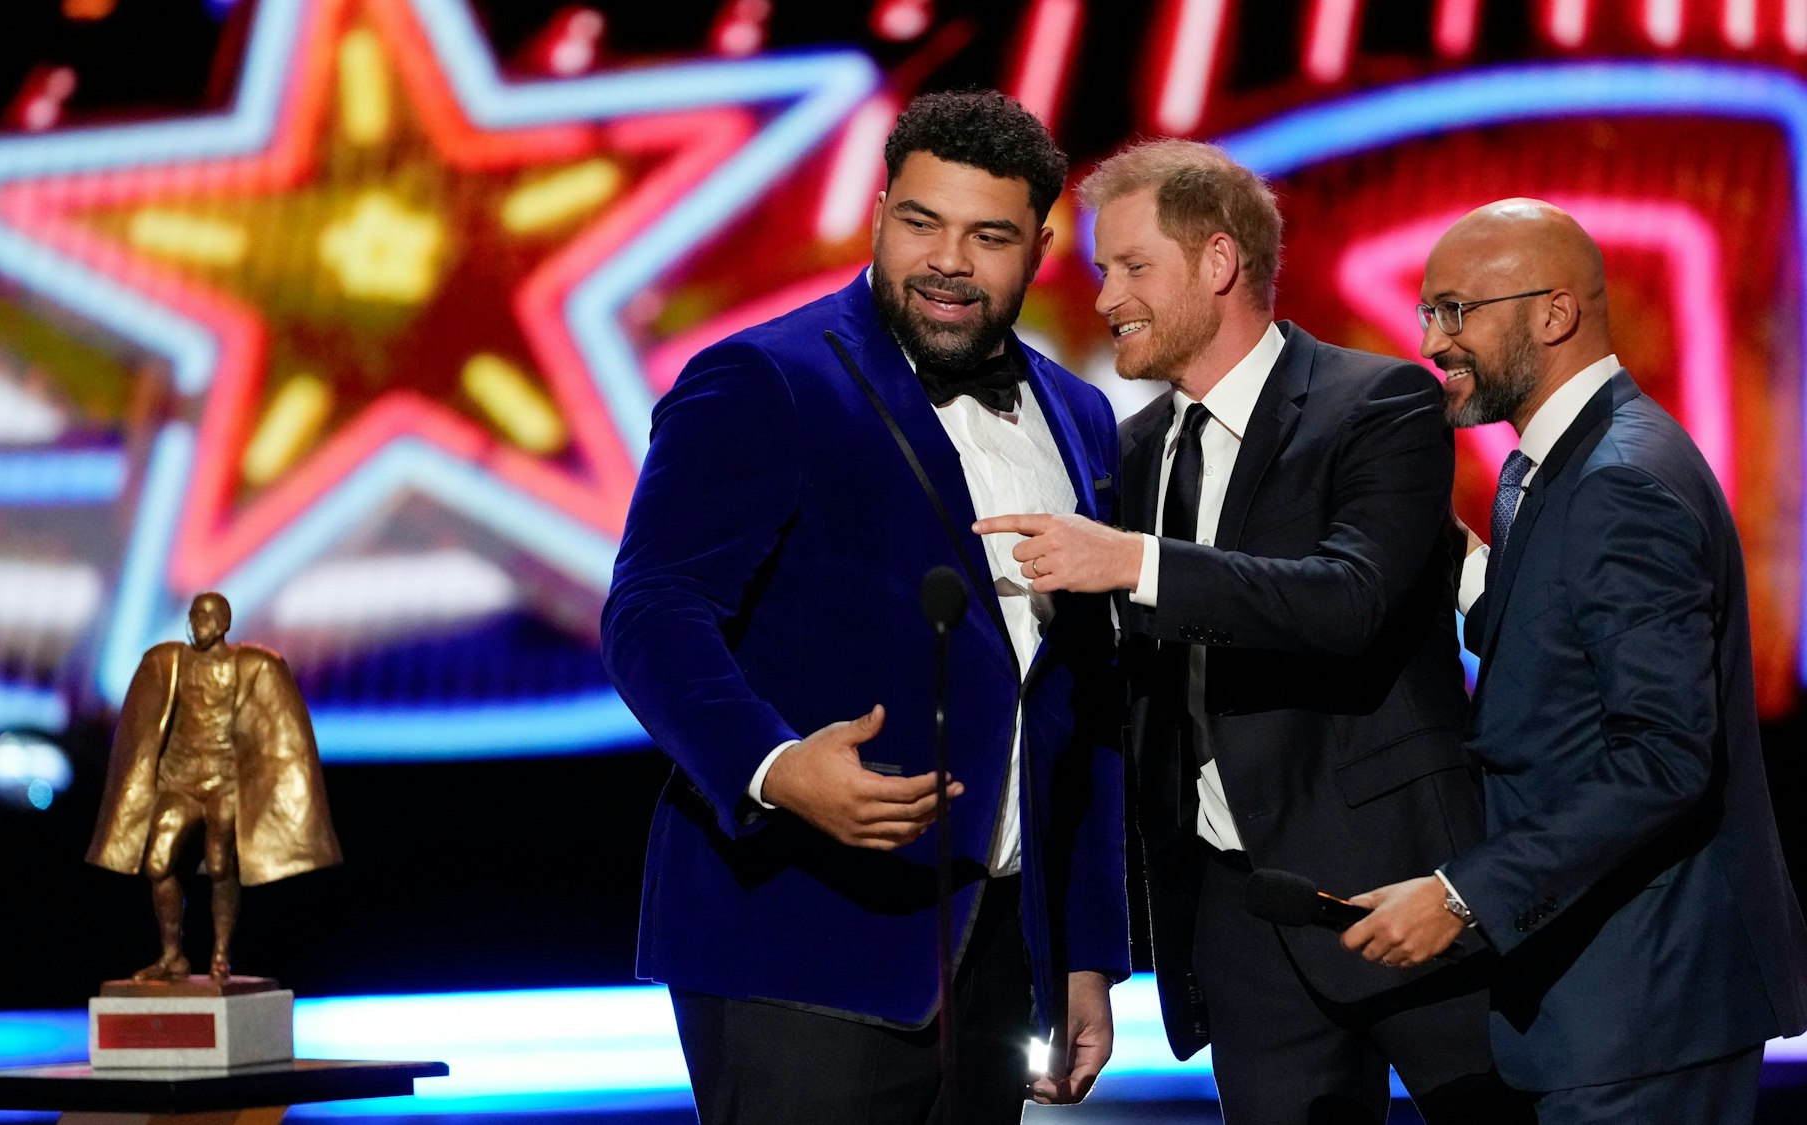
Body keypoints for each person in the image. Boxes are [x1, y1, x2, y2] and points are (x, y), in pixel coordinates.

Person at [600, 91, 1127, 1124]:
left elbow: (1079, 703)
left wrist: (1084, 952)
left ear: (1039, 246)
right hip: (796, 940)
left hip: (992, 955)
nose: (946, 260)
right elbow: (652, 610)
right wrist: (772, 766)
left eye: (987, 236)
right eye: (918, 222)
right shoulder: (764, 379)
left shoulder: (1081, 415)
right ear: (878, 211)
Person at [975, 139, 1524, 1123]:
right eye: (1103, 271)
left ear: (1218, 262)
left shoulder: (1376, 404)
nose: (1104, 301)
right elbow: (1114, 713)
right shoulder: (1129, 454)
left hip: (1409, 894)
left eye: (1130, 266)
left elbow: (1347, 601)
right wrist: (1085, 953)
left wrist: (1132, 564)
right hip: (1240, 920)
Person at [1341, 198, 1807, 1122]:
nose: (1433, 340)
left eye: (1455, 310)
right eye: (1430, 312)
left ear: (1554, 314)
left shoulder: (1620, 481)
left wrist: (1462, 896)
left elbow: (1664, 756)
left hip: (1645, 1002)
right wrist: (1426, 539)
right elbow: (1549, 635)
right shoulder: (1565, 467)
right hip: (1613, 1002)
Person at [85, 591, 340, 981]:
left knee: (221, 864)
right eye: (192, 615)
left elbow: (277, 730)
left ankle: (221, 952)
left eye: (205, 616)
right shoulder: (169, 662)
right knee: (157, 864)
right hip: (180, 782)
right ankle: (173, 955)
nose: (196, 623)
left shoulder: (249, 665)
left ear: (223, 623)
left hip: (224, 784)